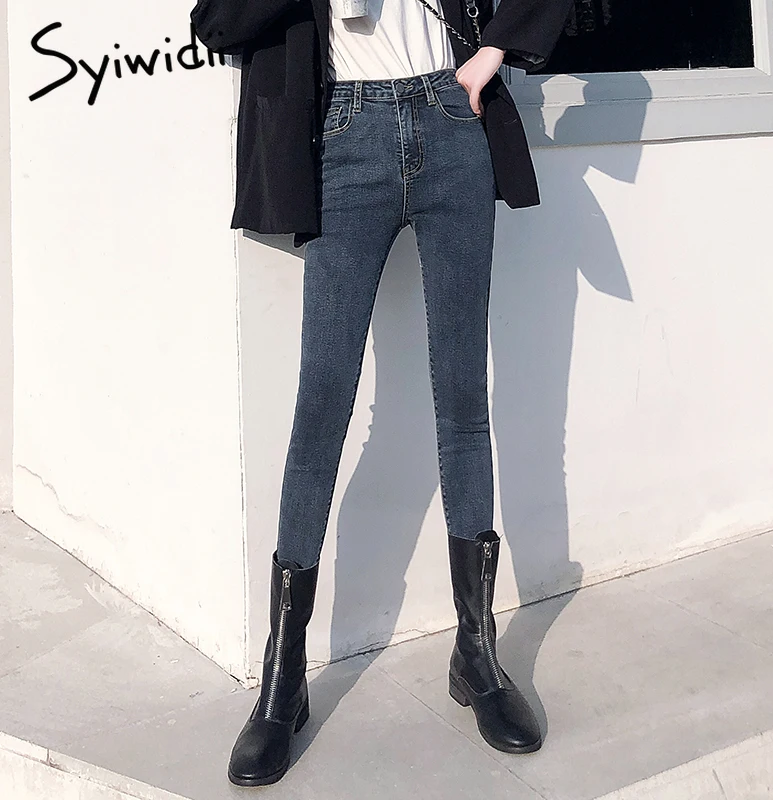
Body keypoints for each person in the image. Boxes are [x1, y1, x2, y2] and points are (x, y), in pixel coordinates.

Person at [190, 0, 573, 786]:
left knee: (463, 399)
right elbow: (217, 21)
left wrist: (493, 52)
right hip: (343, 131)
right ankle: (283, 678)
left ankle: (476, 653)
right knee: (322, 405)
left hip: (450, 118)